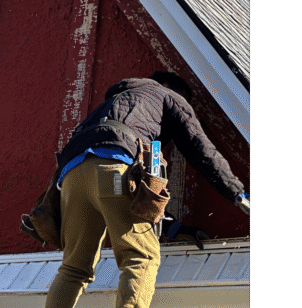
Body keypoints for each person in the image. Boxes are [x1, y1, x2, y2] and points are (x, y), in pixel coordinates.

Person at [45, 72, 249, 308]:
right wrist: (237, 194)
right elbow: (199, 148)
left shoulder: (109, 104)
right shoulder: (167, 95)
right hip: (115, 165)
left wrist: (172, 226)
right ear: (167, 86)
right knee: (141, 258)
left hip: (72, 177)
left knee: (74, 268)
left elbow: (133, 199)